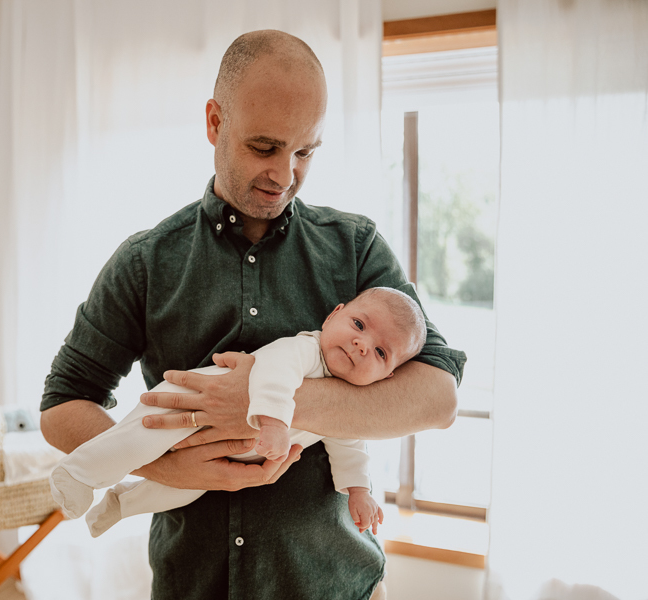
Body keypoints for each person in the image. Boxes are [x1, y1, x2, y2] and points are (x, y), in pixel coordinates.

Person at [41, 29, 466, 600]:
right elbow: (61, 405)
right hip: (194, 585)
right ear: (215, 123)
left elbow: (439, 399)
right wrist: (166, 467)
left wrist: (259, 402)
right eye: (265, 147)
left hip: (336, 586)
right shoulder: (146, 263)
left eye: (305, 152)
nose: (285, 174)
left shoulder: (356, 248)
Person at [49, 287, 426, 539]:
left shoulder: (348, 402)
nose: (362, 344)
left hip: (216, 455)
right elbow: (274, 377)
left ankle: (122, 503)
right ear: (333, 316)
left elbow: (350, 445)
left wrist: (359, 491)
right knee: (137, 442)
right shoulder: (305, 350)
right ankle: (78, 473)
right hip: (187, 401)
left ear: (388, 375)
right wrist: (275, 423)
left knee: (184, 490)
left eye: (380, 353)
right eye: (359, 325)